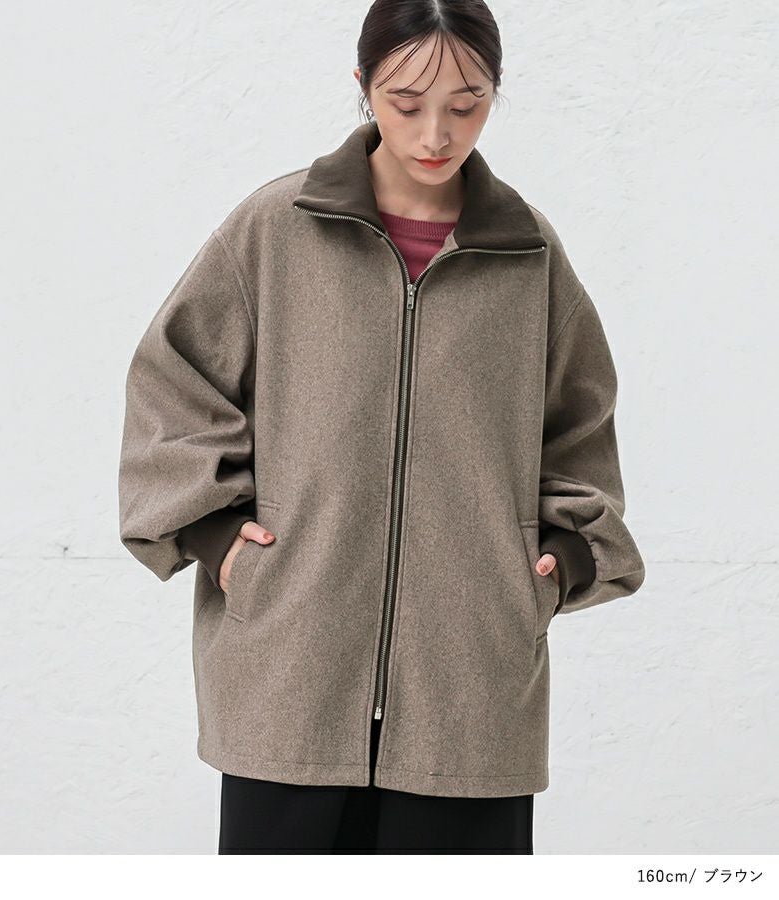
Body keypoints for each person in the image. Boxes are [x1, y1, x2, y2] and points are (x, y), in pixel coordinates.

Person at [118, 0, 646, 854]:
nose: (437, 133)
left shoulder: (529, 254)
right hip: (289, 671)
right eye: (407, 102)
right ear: (364, 86)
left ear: (495, 93)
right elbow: (173, 382)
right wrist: (220, 539)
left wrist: (562, 559)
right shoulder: (277, 228)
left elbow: (581, 424)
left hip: (470, 687)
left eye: (467, 103)